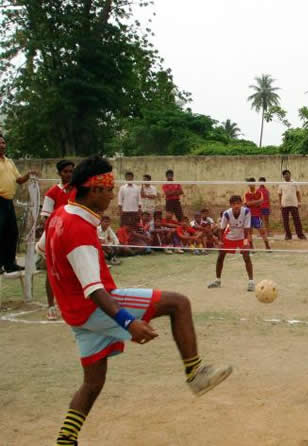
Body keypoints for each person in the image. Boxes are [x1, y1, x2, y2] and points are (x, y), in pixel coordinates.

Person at [45, 156, 232, 446]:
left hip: (76, 315)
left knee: (92, 382)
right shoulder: (79, 229)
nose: (112, 195)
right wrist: (128, 322)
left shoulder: (60, 216)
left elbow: (43, 249)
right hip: (96, 306)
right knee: (178, 303)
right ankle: (195, 372)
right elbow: (94, 290)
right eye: (109, 189)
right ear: (94, 190)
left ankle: (65, 440)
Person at [39, 160, 75, 320]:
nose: (69, 174)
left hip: (73, 235)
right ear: (59, 173)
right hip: (55, 236)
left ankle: (72, 303)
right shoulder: (52, 192)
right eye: (66, 171)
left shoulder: (77, 190)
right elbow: (46, 217)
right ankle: (51, 306)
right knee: (52, 272)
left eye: (71, 171)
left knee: (75, 270)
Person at [0, 134, 37, 273]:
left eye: (3, 143)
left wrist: (29, 174)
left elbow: (19, 180)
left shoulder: (9, 162)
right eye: (0, 143)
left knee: (12, 233)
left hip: (8, 201)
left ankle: (10, 264)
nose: (2, 145)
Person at [207, 195, 255, 291]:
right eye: (234, 204)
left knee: (246, 256)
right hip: (230, 236)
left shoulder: (246, 211)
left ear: (241, 204)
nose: (236, 206)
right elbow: (221, 229)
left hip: (242, 236)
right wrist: (220, 241)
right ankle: (217, 280)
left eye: (238, 203)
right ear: (230, 205)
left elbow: (247, 228)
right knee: (220, 256)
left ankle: (251, 282)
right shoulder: (226, 214)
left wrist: (246, 241)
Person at [278, 169, 306, 240]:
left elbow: (298, 193)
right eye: (285, 174)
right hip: (284, 204)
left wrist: (299, 202)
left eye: (288, 174)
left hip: (294, 204)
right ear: (283, 176)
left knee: (297, 220)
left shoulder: (295, 183)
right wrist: (280, 203)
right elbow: (279, 194)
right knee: (285, 221)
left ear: (290, 174)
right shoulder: (281, 184)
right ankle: (288, 235)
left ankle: (300, 235)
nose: (287, 175)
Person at [244, 177, 271, 251]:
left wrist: (253, 202)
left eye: (252, 183)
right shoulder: (246, 194)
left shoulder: (259, 193)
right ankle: (251, 247)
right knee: (250, 232)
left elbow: (261, 201)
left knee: (262, 231)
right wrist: (257, 201)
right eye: (249, 184)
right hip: (249, 216)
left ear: (254, 184)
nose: (251, 185)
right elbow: (247, 204)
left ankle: (267, 246)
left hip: (257, 216)